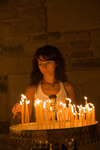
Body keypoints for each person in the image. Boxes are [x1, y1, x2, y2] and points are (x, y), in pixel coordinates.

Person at [12, 45, 77, 122]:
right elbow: (23, 123)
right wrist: (19, 113)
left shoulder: (67, 87)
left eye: (48, 63)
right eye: (40, 63)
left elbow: (75, 119)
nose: (44, 67)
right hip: (42, 133)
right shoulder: (32, 90)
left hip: (64, 132)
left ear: (57, 63)